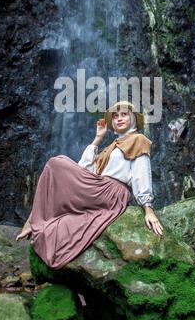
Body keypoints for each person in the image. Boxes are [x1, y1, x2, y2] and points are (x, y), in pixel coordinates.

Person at [15, 101, 163, 269]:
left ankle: (32, 221)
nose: (118, 118)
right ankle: (34, 219)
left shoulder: (138, 139)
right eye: (115, 116)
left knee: (56, 163)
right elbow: (85, 169)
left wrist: (148, 208)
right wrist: (98, 137)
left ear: (133, 119)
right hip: (99, 187)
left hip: (111, 192)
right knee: (55, 166)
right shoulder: (112, 146)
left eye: (124, 114)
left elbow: (141, 173)